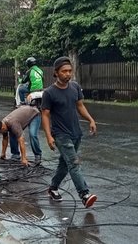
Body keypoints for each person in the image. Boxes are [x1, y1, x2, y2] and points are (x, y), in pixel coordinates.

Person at [41, 56, 98, 208]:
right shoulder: (49, 93)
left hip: (76, 132)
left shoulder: (75, 87)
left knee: (64, 164)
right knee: (73, 163)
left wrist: (90, 120)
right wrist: (48, 136)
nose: (67, 74)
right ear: (56, 73)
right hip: (60, 134)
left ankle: (53, 188)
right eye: (64, 71)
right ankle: (84, 194)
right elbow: (45, 115)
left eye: (70, 71)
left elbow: (80, 106)